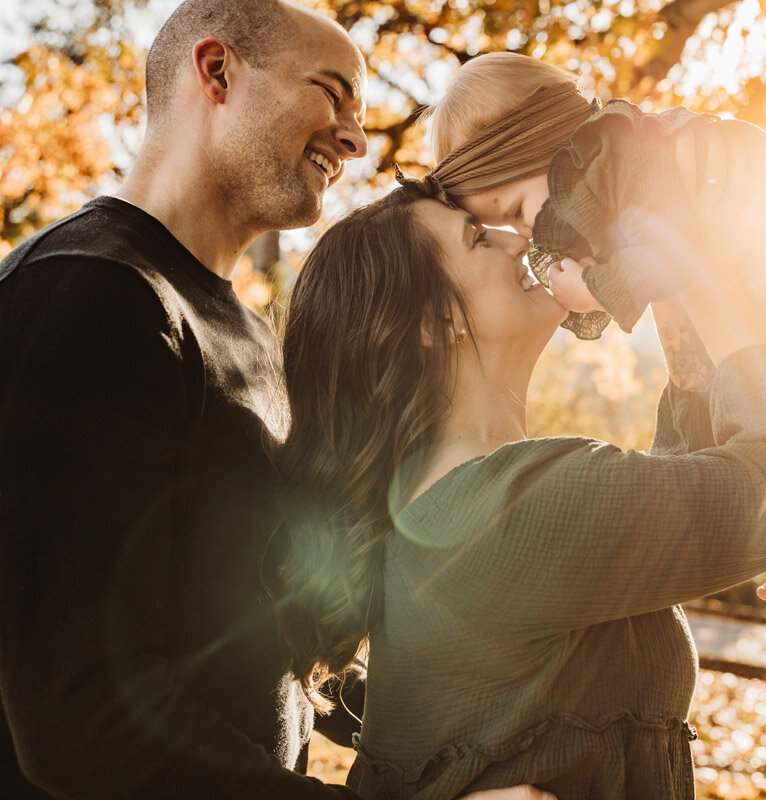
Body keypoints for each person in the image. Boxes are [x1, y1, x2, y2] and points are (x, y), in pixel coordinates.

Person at [0, 3, 549, 799]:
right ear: (216, 73)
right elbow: (81, 719)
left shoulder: (246, 333)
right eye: (333, 93)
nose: (357, 138)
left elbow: (234, 629)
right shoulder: (86, 298)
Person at [268, 173, 766, 798]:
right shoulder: (515, 509)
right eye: (477, 237)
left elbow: (684, 488)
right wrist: (693, 267)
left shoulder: (453, 504)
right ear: (436, 320)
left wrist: (668, 301)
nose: (515, 236)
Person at [422, 52, 766, 618]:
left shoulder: (639, 157)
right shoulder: (606, 178)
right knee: (711, 410)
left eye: (521, 211)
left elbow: (671, 259)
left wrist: (595, 288)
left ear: (555, 151)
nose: (527, 235)